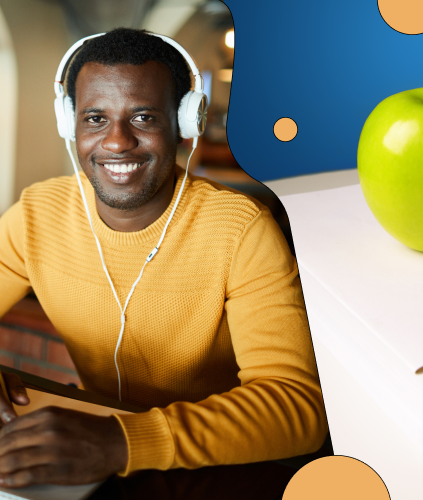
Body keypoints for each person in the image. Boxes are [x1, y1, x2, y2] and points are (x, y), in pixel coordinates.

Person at [0, 28, 328, 488]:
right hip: (97, 453)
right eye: (95, 118)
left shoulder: (242, 230)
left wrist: (120, 441)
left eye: (143, 118)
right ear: (68, 124)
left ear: (183, 123)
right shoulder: (36, 214)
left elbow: (297, 407)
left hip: (217, 468)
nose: (116, 142)